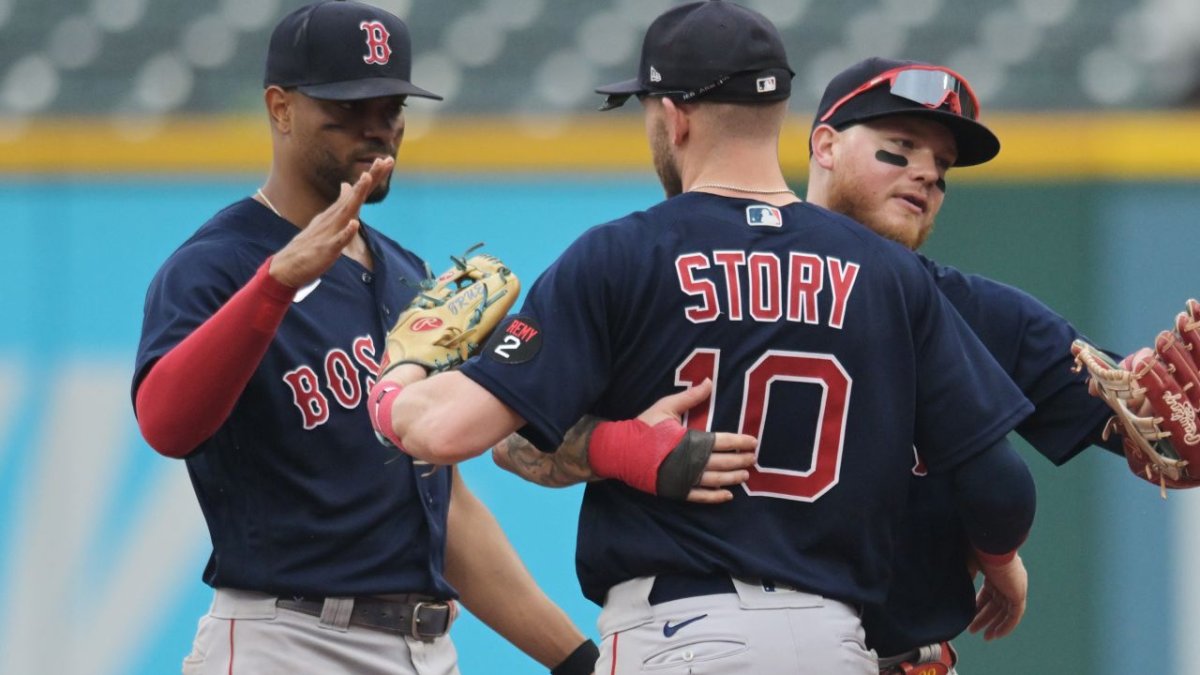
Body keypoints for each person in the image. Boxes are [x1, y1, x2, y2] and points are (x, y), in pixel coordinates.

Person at [369, 2, 1038, 673]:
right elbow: (1002, 486)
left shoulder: (621, 254)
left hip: (683, 631)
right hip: (834, 640)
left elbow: (448, 432)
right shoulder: (892, 274)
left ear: (675, 115)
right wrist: (1001, 558)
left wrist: (396, 376)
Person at [130, 2, 597, 674]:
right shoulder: (219, 264)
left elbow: (448, 507)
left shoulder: (408, 276)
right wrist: (275, 285)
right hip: (287, 640)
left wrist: (579, 660)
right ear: (280, 107)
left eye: (390, 109)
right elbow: (166, 423)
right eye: (346, 110)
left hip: (423, 647)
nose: (376, 130)